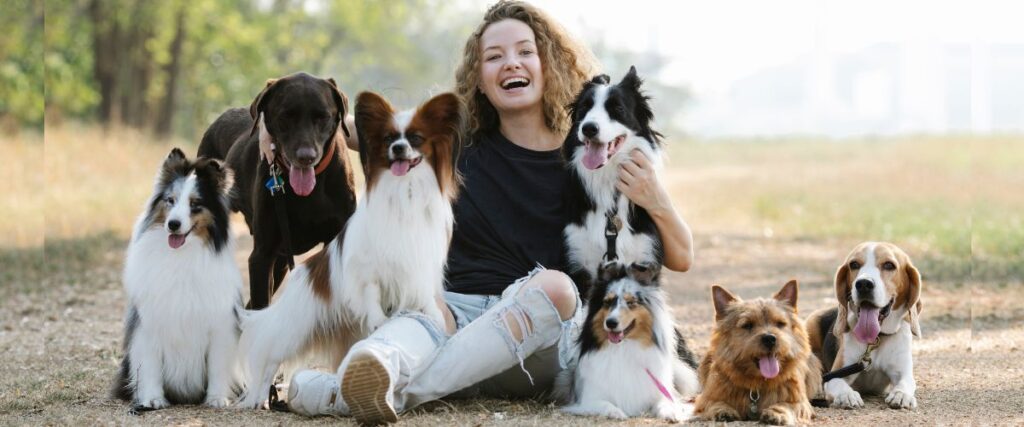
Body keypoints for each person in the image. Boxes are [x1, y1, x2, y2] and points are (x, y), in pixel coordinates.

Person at [285, 1, 695, 424]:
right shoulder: (454, 145)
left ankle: (357, 395)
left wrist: (655, 197)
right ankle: (371, 373)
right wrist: (269, 124)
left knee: (555, 288)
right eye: (494, 57)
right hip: (451, 316)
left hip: (538, 335)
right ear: (478, 78)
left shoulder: (588, 157)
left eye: (524, 51)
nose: (510, 64)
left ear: (547, 63)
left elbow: (681, 257)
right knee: (418, 313)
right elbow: (353, 126)